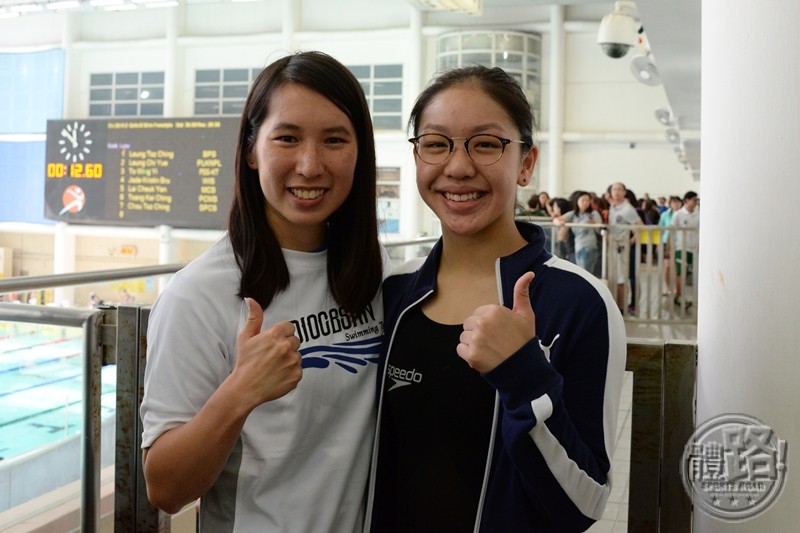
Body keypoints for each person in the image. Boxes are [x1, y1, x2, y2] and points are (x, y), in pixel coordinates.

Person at [365, 65, 626, 533]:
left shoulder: (576, 302)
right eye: (436, 143)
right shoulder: (392, 294)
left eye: (485, 144)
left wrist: (524, 377)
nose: (459, 166)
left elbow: (585, 504)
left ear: (526, 163)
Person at [139, 51, 387, 532]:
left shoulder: (380, 277)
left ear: (360, 152)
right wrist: (238, 394)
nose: (310, 165)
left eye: (335, 140)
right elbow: (165, 489)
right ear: (252, 150)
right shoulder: (200, 294)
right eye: (287, 138)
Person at [607, 181, 642, 314]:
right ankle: (617, 305)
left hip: (622, 249)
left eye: (619, 189)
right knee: (614, 279)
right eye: (614, 189)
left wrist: (632, 240)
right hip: (612, 248)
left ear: (624, 192)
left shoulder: (627, 209)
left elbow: (639, 225)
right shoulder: (612, 207)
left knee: (622, 279)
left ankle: (622, 308)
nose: (616, 191)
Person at [555, 190, 603, 277]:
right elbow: (557, 219)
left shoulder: (593, 213)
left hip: (590, 247)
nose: (585, 203)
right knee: (581, 274)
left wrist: (593, 224)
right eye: (583, 200)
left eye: (587, 200)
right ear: (577, 201)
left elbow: (599, 230)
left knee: (587, 275)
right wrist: (559, 223)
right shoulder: (573, 214)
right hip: (578, 247)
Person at [671, 190, 699, 308]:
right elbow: (671, 231)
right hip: (681, 248)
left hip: (694, 249)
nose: (696, 202)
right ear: (686, 200)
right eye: (694, 200)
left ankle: (685, 297)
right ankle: (678, 295)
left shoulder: (699, 214)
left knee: (688, 273)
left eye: (697, 200)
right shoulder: (678, 214)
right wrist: (670, 248)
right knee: (680, 272)